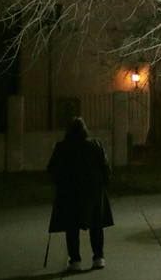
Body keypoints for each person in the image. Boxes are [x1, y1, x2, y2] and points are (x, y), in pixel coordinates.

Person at [47, 116, 114, 271]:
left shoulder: (62, 147)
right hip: (93, 191)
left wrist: (59, 184)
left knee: (72, 227)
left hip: (70, 192)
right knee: (96, 225)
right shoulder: (95, 145)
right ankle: (98, 257)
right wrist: (104, 183)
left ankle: (75, 260)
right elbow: (105, 167)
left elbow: (52, 169)